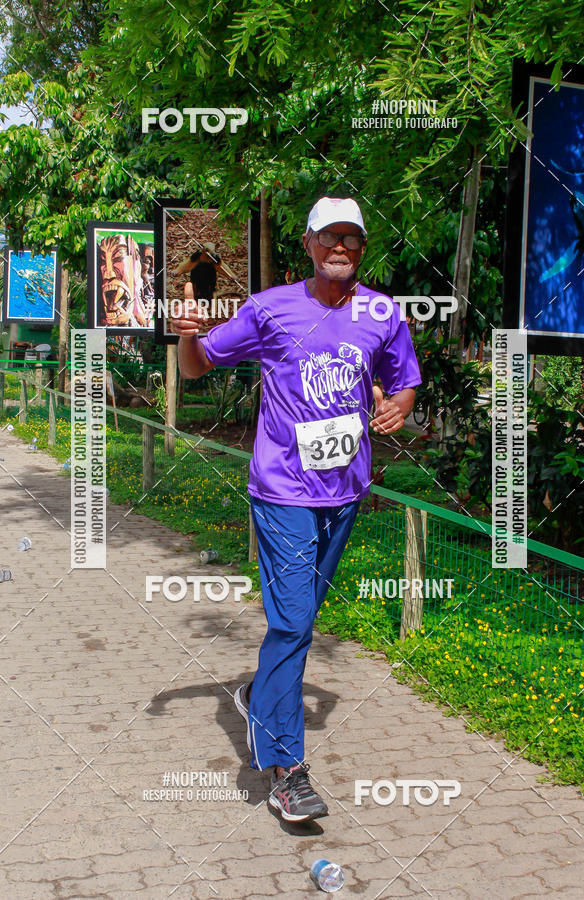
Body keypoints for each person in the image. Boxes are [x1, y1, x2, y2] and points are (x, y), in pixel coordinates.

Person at [172, 197, 421, 823]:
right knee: (292, 622)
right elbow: (200, 365)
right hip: (283, 491)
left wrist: (401, 405)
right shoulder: (271, 308)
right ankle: (285, 769)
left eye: (353, 239)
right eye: (329, 237)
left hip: (345, 493)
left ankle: (265, 693)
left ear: (362, 248)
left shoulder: (382, 313)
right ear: (308, 245)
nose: (341, 247)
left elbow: (403, 378)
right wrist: (187, 338)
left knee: (302, 618)